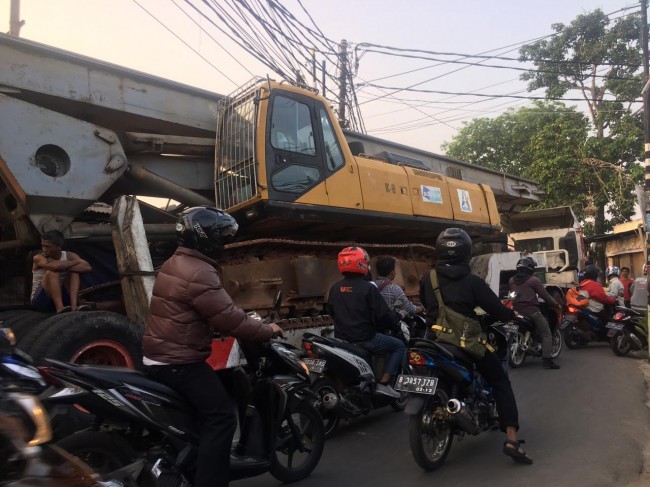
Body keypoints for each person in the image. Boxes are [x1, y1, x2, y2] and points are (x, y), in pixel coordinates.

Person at [142, 207, 282, 487]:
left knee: (199, 420)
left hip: (161, 355)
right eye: (223, 237)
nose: (225, 244)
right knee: (222, 419)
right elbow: (230, 319)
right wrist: (267, 329)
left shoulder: (177, 261)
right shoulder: (199, 272)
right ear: (208, 239)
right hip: (179, 362)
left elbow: (203, 310)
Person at [419, 228, 532, 464]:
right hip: (465, 343)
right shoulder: (472, 282)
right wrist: (512, 316)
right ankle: (511, 439)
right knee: (500, 381)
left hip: (432, 341)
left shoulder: (427, 279)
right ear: (466, 252)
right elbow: (497, 310)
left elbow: (428, 304)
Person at [327, 246, 406, 399]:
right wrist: (395, 319)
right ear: (362, 264)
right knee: (399, 346)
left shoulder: (335, 288)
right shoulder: (368, 288)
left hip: (342, 339)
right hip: (365, 338)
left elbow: (331, 312)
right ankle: (384, 384)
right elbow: (383, 316)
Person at [508, 256, 561, 370]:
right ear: (530, 268)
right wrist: (556, 304)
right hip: (532, 312)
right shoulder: (534, 280)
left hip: (516, 311)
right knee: (546, 333)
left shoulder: (511, 280)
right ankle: (547, 360)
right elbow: (545, 296)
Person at [31, 230, 92, 313]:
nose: (44, 249)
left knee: (75, 272)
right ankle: (60, 308)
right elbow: (54, 267)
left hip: (63, 296)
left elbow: (87, 267)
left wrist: (66, 267)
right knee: (52, 272)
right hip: (42, 299)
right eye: (43, 246)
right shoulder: (39, 258)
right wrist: (75, 262)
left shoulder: (69, 255)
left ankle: (74, 306)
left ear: (59, 247)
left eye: (48, 247)